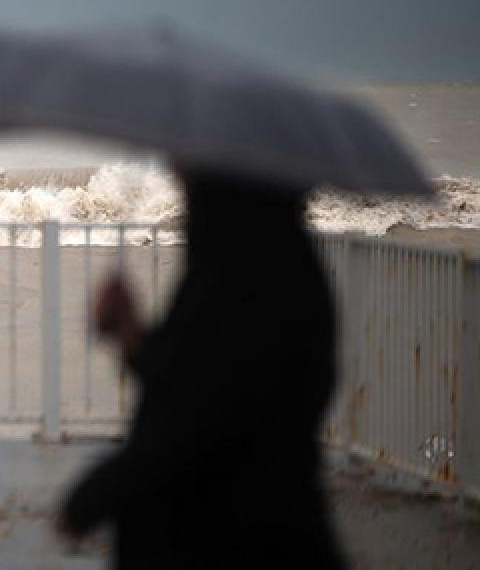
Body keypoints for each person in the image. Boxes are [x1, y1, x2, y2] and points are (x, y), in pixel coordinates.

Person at [56, 168, 346, 568]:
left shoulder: (247, 278)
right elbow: (192, 371)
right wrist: (129, 333)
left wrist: (96, 495)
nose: (181, 180)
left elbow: (201, 422)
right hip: (261, 528)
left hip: (230, 539)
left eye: (191, 175)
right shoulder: (267, 265)